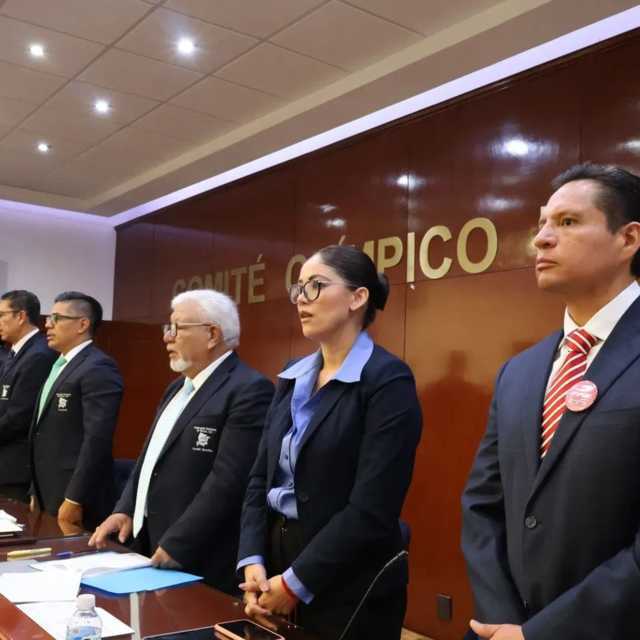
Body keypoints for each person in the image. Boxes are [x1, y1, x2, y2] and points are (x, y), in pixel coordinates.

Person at [461, 163, 640, 640]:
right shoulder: (518, 372)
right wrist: (504, 621)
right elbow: (482, 503)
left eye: (567, 222)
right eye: (541, 223)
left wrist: (543, 634)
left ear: (628, 239)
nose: (541, 238)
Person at [238, 245, 422, 640]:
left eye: (316, 286)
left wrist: (295, 583)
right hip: (274, 564)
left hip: (347, 579)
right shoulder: (292, 374)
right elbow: (259, 479)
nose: (301, 299)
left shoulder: (388, 380)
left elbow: (373, 507)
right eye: (298, 288)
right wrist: (252, 562)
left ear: (358, 298)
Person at [89, 290, 274, 595]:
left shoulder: (249, 390)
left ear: (212, 334)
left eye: (177, 328)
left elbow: (228, 481)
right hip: (148, 543)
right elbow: (149, 459)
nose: (167, 337)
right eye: (168, 328)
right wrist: (125, 509)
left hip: (197, 556)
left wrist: (179, 542)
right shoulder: (176, 388)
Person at [29, 291, 123, 530]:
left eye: (57, 318)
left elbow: (97, 438)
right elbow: (42, 431)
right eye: (48, 318)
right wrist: (35, 488)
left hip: (75, 496)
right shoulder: (59, 364)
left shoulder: (98, 367)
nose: (48, 324)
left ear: (82, 324)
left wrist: (74, 498)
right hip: (46, 489)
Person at [0, 290, 56, 502]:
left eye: (1, 315)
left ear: (21, 316)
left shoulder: (39, 355)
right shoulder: (15, 353)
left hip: (16, 470)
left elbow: (19, 417)